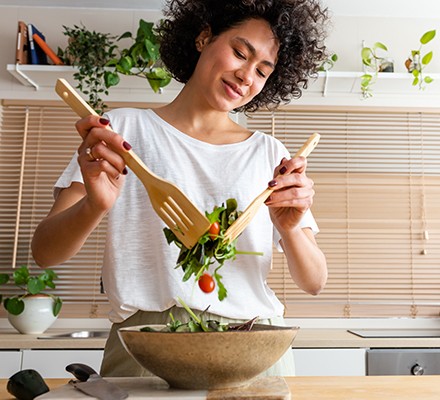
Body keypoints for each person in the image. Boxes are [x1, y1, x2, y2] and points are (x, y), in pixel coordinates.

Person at [32, 0, 329, 377]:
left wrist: (289, 228)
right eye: (240, 53)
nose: (246, 76)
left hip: (252, 345)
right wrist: (94, 205)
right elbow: (44, 253)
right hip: (145, 345)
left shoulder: (269, 153)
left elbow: (315, 280)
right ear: (204, 36)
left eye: (262, 71)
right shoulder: (121, 132)